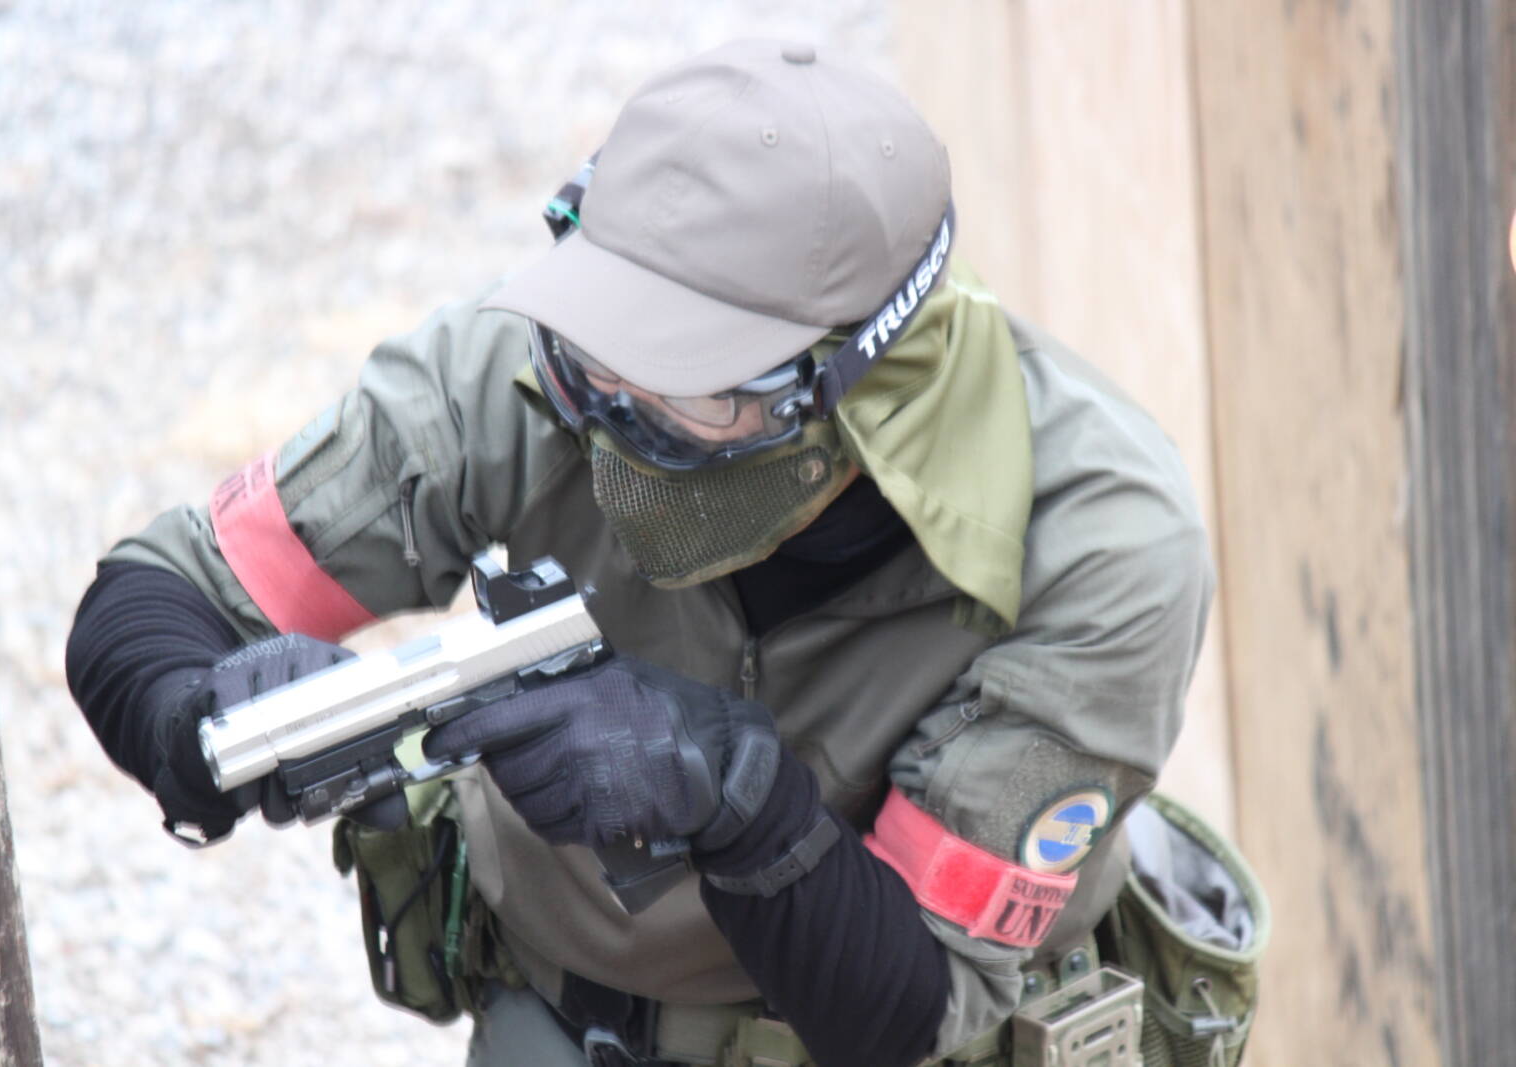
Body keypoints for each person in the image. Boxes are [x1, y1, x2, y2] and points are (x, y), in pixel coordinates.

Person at [65, 39, 1214, 1067]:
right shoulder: (532, 367)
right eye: (599, 357)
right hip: (573, 1022)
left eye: (691, 386)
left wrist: (730, 792)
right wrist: (205, 719)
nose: (613, 417)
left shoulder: (1101, 542)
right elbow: (156, 590)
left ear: (856, 388)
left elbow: (899, 1007)